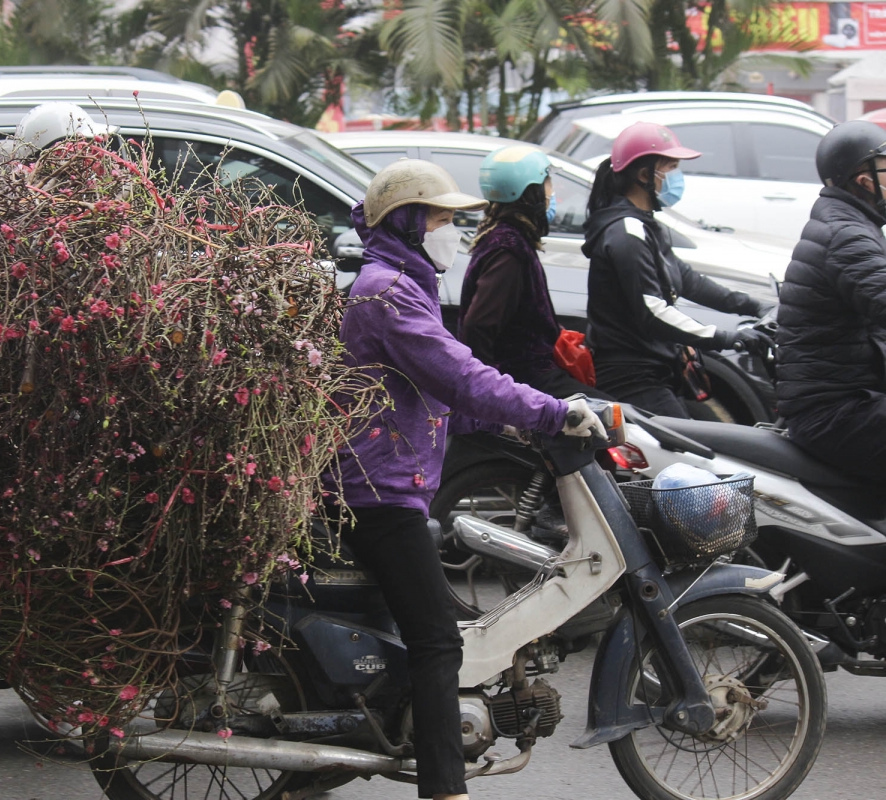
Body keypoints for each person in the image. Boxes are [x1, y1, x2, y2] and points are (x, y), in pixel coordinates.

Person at [325, 158, 605, 800]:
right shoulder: (388, 292)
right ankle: (444, 790)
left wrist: (512, 425)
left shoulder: (398, 281)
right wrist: (555, 410)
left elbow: (439, 386)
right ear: (407, 221)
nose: (453, 231)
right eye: (443, 218)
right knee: (436, 642)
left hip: (390, 478)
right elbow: (460, 374)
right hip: (379, 490)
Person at [581, 121, 773, 419]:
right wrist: (725, 337)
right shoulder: (625, 234)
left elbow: (688, 281)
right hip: (632, 377)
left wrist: (753, 304)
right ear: (645, 176)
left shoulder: (646, 225)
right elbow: (653, 311)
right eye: (671, 168)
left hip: (654, 369)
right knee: (687, 461)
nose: (677, 178)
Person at [775, 120, 886, 485]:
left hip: (845, 399)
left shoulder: (850, 222)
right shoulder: (848, 234)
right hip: (834, 412)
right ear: (863, 178)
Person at [461, 144, 613, 399]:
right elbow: (478, 326)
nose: (551, 193)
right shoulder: (509, 251)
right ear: (528, 191)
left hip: (532, 371)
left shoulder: (504, 237)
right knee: (615, 418)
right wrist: (491, 394)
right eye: (547, 184)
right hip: (525, 379)